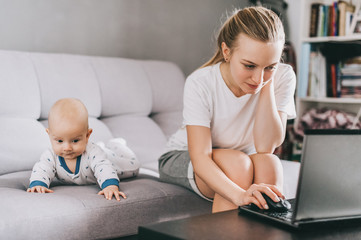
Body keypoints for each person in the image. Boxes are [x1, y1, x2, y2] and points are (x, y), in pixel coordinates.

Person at [158, 6, 296, 213]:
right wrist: (240, 195)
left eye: (270, 66)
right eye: (249, 66)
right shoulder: (201, 82)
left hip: (240, 156)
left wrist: (267, 84)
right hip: (184, 156)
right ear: (226, 52)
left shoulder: (282, 77)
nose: (258, 79)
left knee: (270, 163)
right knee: (237, 164)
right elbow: (201, 158)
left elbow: (266, 146)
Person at [27, 98, 140, 201]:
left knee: (134, 164)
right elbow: (42, 168)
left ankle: (117, 144)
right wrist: (38, 184)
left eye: (75, 141)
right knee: (100, 150)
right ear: (50, 135)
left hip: (112, 161)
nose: (67, 148)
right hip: (98, 151)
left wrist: (110, 186)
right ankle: (104, 146)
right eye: (60, 141)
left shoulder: (92, 152)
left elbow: (103, 166)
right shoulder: (50, 155)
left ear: (87, 135)